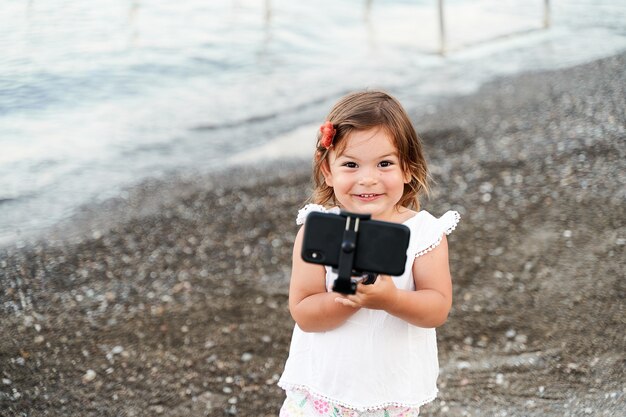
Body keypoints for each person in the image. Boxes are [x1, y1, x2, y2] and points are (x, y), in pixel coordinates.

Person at [278, 90, 460, 416]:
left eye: (385, 163)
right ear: (327, 171)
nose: (368, 178)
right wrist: (346, 298)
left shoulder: (422, 234)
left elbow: (437, 308)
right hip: (323, 393)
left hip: (390, 396)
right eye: (350, 164)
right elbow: (304, 310)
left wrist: (390, 299)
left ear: (408, 169)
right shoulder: (319, 231)